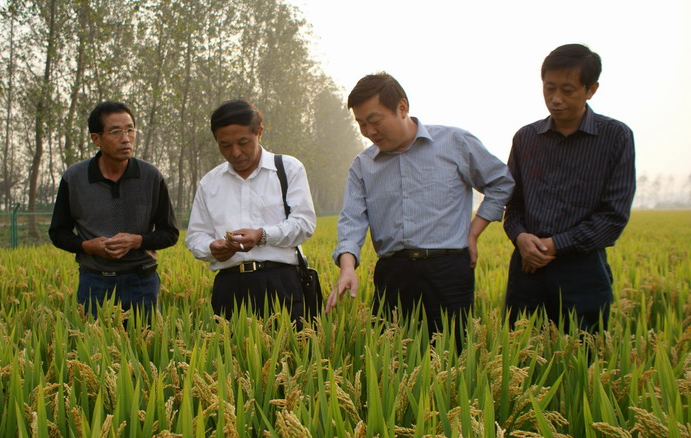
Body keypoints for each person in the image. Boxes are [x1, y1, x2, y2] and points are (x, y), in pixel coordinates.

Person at [326, 73, 514, 351]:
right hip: (393, 273)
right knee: (391, 357)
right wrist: (347, 267)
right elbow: (352, 220)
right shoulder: (363, 165)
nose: (369, 131)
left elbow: (501, 183)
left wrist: (474, 232)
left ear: (402, 107)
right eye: (361, 124)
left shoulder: (455, 142)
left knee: (452, 356)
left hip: (448, 270)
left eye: (375, 121)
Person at [504, 44, 636, 332]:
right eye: (549, 88)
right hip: (527, 269)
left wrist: (554, 244)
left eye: (567, 90)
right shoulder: (526, 138)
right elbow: (512, 205)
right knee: (518, 350)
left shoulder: (615, 137)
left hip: (583, 271)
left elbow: (613, 216)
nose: (556, 99)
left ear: (591, 90)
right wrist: (520, 237)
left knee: (582, 353)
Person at [185, 99, 316, 321]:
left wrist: (261, 235)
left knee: (287, 343)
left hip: (280, 283)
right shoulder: (210, 183)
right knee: (229, 344)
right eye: (225, 145)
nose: (235, 152)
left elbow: (304, 224)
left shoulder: (287, 169)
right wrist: (211, 248)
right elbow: (195, 236)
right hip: (229, 286)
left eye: (243, 142)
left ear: (259, 132)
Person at [49, 101, 179, 319]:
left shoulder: (151, 176)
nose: (126, 138)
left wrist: (135, 241)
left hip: (142, 282)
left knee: (147, 340)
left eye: (130, 130)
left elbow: (170, 233)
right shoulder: (74, 178)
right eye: (115, 132)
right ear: (96, 139)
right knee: (93, 339)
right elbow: (58, 233)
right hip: (95, 283)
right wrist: (87, 246)